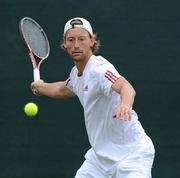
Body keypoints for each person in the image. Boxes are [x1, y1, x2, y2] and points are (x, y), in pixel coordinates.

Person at [31, 17, 155, 178]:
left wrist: (124, 105)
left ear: (91, 41)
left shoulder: (99, 69)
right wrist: (41, 87)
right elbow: (63, 89)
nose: (76, 45)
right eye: (71, 39)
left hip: (132, 154)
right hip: (99, 158)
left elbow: (126, 87)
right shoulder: (76, 74)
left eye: (81, 39)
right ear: (65, 44)